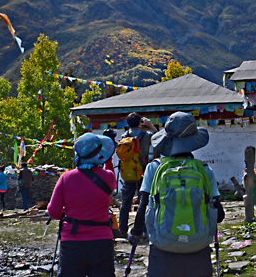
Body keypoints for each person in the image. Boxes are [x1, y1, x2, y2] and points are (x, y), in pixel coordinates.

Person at [128, 112, 225, 277]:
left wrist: (136, 233)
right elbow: (219, 215)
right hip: (198, 250)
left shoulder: (154, 168)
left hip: (162, 250)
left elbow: (143, 207)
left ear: (167, 141)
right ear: (194, 141)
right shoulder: (204, 170)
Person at [47, 132, 118, 277]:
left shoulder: (65, 177)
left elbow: (53, 212)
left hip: (72, 242)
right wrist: (108, 159)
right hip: (101, 241)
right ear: (99, 154)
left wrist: (67, 215)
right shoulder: (109, 177)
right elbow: (110, 173)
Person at [117, 112, 156, 237]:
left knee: (125, 202)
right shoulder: (147, 135)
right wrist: (150, 125)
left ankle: (122, 228)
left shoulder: (124, 136)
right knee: (142, 202)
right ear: (140, 122)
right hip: (142, 172)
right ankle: (142, 229)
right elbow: (160, 137)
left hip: (128, 172)